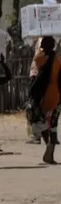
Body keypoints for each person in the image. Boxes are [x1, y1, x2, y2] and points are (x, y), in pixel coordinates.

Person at [30, 36, 61, 164]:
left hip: (42, 96)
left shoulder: (39, 58)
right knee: (52, 125)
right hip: (55, 95)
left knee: (41, 122)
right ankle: (50, 152)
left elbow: (35, 75)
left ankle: (48, 145)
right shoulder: (57, 60)